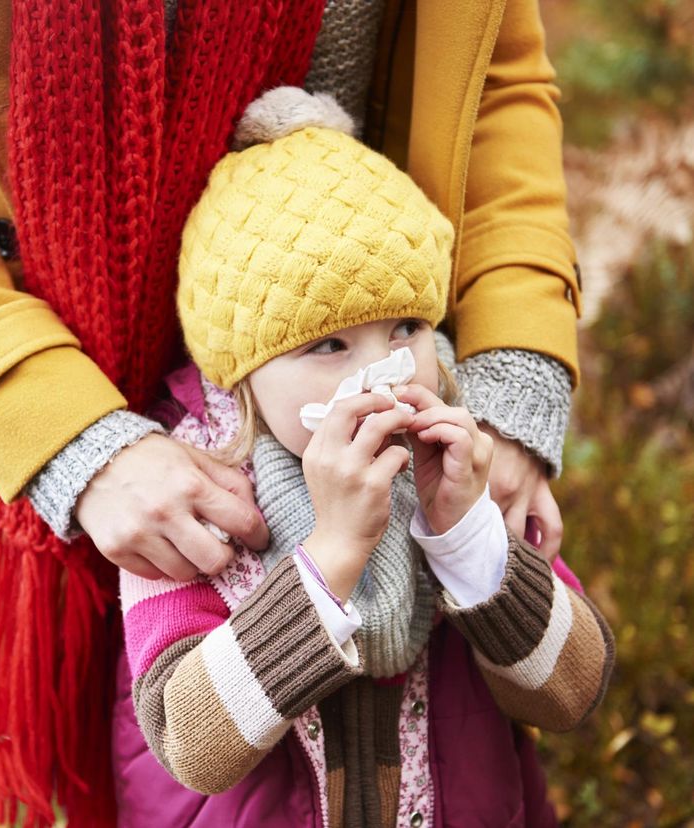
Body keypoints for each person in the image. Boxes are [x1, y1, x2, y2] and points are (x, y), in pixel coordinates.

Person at [0, 0, 583, 823]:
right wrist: (71, 441)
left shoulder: (438, 460)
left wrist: (510, 382)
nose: (379, 376)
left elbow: (494, 81)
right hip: (77, 369)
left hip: (375, 259)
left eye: (401, 343)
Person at [114, 87, 613, 827]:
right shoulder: (189, 491)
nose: (387, 374)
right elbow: (193, 745)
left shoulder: (460, 452)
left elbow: (571, 691)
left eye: (407, 327)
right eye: (329, 345)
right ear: (241, 369)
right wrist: (335, 551)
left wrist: (466, 534)